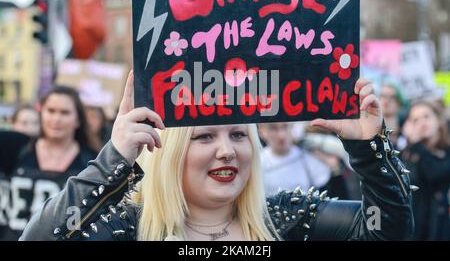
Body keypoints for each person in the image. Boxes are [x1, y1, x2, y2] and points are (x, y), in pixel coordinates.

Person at [20, 73, 414, 241]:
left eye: (239, 134)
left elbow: (387, 231)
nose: (227, 149)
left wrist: (369, 147)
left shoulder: (286, 218)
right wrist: (113, 160)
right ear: (168, 151)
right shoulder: (128, 229)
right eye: (204, 135)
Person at [0, 86, 97, 240]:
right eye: (51, 111)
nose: (56, 119)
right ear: (41, 114)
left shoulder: (92, 161)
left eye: (64, 113)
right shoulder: (16, 147)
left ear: (78, 120)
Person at [402, 101, 450, 240]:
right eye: (415, 120)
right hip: (414, 230)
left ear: (438, 119)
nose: (422, 123)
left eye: (426, 116)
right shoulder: (406, 155)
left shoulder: (447, 152)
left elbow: (434, 173)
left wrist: (417, 144)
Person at [258, 122, 337, 197]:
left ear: (292, 127)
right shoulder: (257, 162)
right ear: (262, 130)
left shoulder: (307, 157)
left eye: (285, 127)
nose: (281, 135)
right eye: (273, 128)